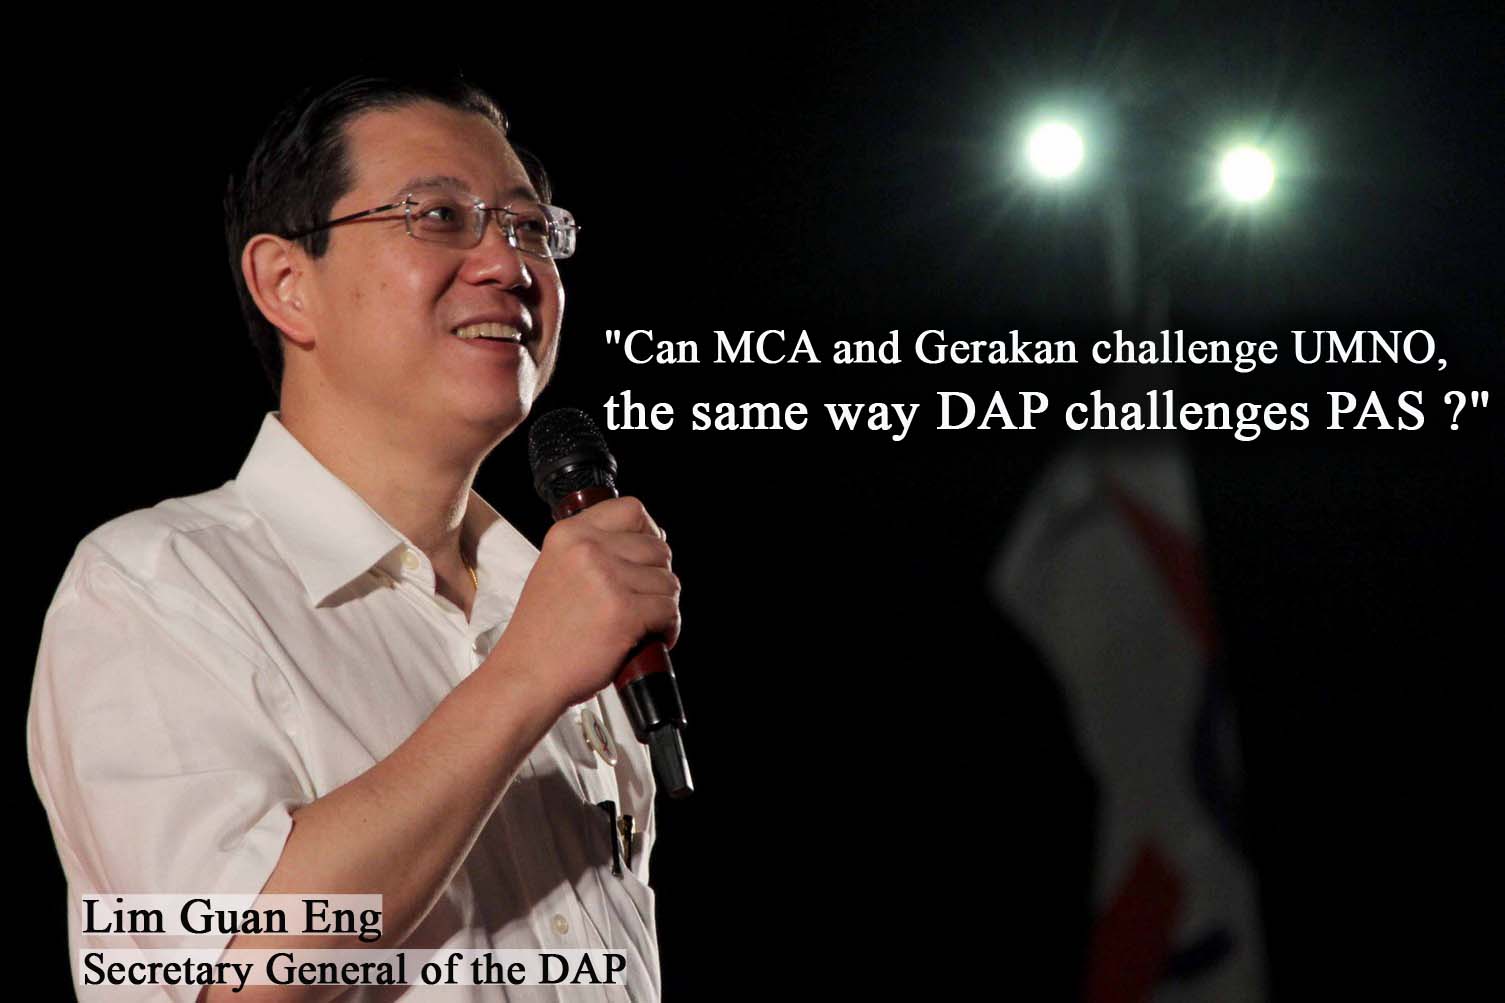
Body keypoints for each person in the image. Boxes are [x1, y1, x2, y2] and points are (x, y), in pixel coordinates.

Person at [27, 73, 680, 1001]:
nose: (508, 264)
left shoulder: (551, 595)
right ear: (286, 283)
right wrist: (526, 677)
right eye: (439, 216)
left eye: (530, 227)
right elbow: (231, 977)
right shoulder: (155, 584)